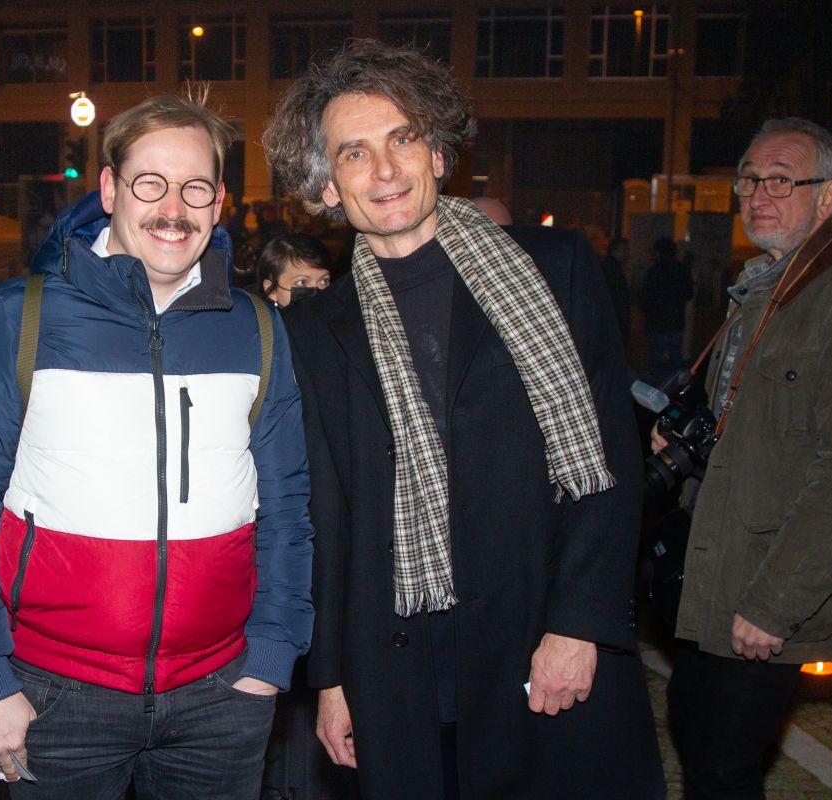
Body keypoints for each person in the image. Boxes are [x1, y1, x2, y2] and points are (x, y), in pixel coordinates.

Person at [264, 39, 663, 799]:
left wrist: (579, 622)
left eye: (403, 139)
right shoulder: (312, 331)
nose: (385, 170)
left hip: (539, 628)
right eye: (355, 153)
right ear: (326, 186)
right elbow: (329, 516)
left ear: (439, 155)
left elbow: (610, 455)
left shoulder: (556, 267)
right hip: (400, 655)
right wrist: (334, 678)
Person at [0, 90, 313, 798]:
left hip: (222, 699)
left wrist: (271, 656)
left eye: (195, 187)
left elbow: (287, 509)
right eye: (149, 183)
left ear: (219, 201)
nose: (173, 208)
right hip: (51, 696)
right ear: (109, 189)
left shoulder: (256, 328)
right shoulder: (17, 319)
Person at [660, 117, 832, 800]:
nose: (758, 195)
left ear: (830, 195)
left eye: (782, 181)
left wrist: (773, 605)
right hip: (720, 563)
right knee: (696, 731)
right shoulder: (764, 283)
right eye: (750, 180)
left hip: (768, 582)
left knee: (722, 761)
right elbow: (749, 423)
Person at [641, 236, 694, 386]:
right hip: (676, 321)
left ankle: (657, 388)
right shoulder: (681, 270)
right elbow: (688, 294)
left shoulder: (654, 271)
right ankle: (674, 387)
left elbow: (645, 297)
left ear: (658, 252)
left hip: (657, 322)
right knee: (675, 358)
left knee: (656, 357)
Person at [257, 233, 332, 309]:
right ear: (272, 289)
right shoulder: (258, 315)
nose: (317, 295)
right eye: (301, 282)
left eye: (324, 281)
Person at [600, 236, 632, 355]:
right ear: (615, 250)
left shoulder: (611, 266)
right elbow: (617, 296)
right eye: (624, 250)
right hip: (615, 318)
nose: (627, 254)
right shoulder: (612, 268)